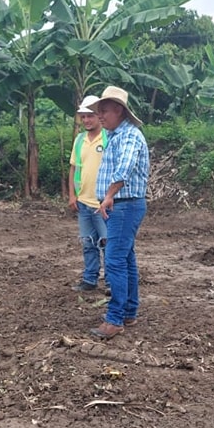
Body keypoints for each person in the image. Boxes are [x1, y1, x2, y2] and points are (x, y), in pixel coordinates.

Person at [87, 86, 149, 340]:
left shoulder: (129, 136)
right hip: (123, 205)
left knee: (113, 260)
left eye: (104, 111)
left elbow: (124, 168)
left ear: (119, 110)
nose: (100, 116)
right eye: (99, 111)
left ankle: (114, 319)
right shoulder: (116, 135)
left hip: (124, 205)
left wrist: (109, 196)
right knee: (125, 259)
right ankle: (128, 312)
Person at [68, 95, 109, 292]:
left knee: (107, 243)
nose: (86, 120)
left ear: (99, 115)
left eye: (90, 116)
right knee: (87, 242)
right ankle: (90, 279)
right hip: (83, 201)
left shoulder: (109, 137)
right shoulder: (79, 140)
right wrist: (72, 195)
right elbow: (74, 168)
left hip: (102, 202)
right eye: (83, 116)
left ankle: (111, 282)